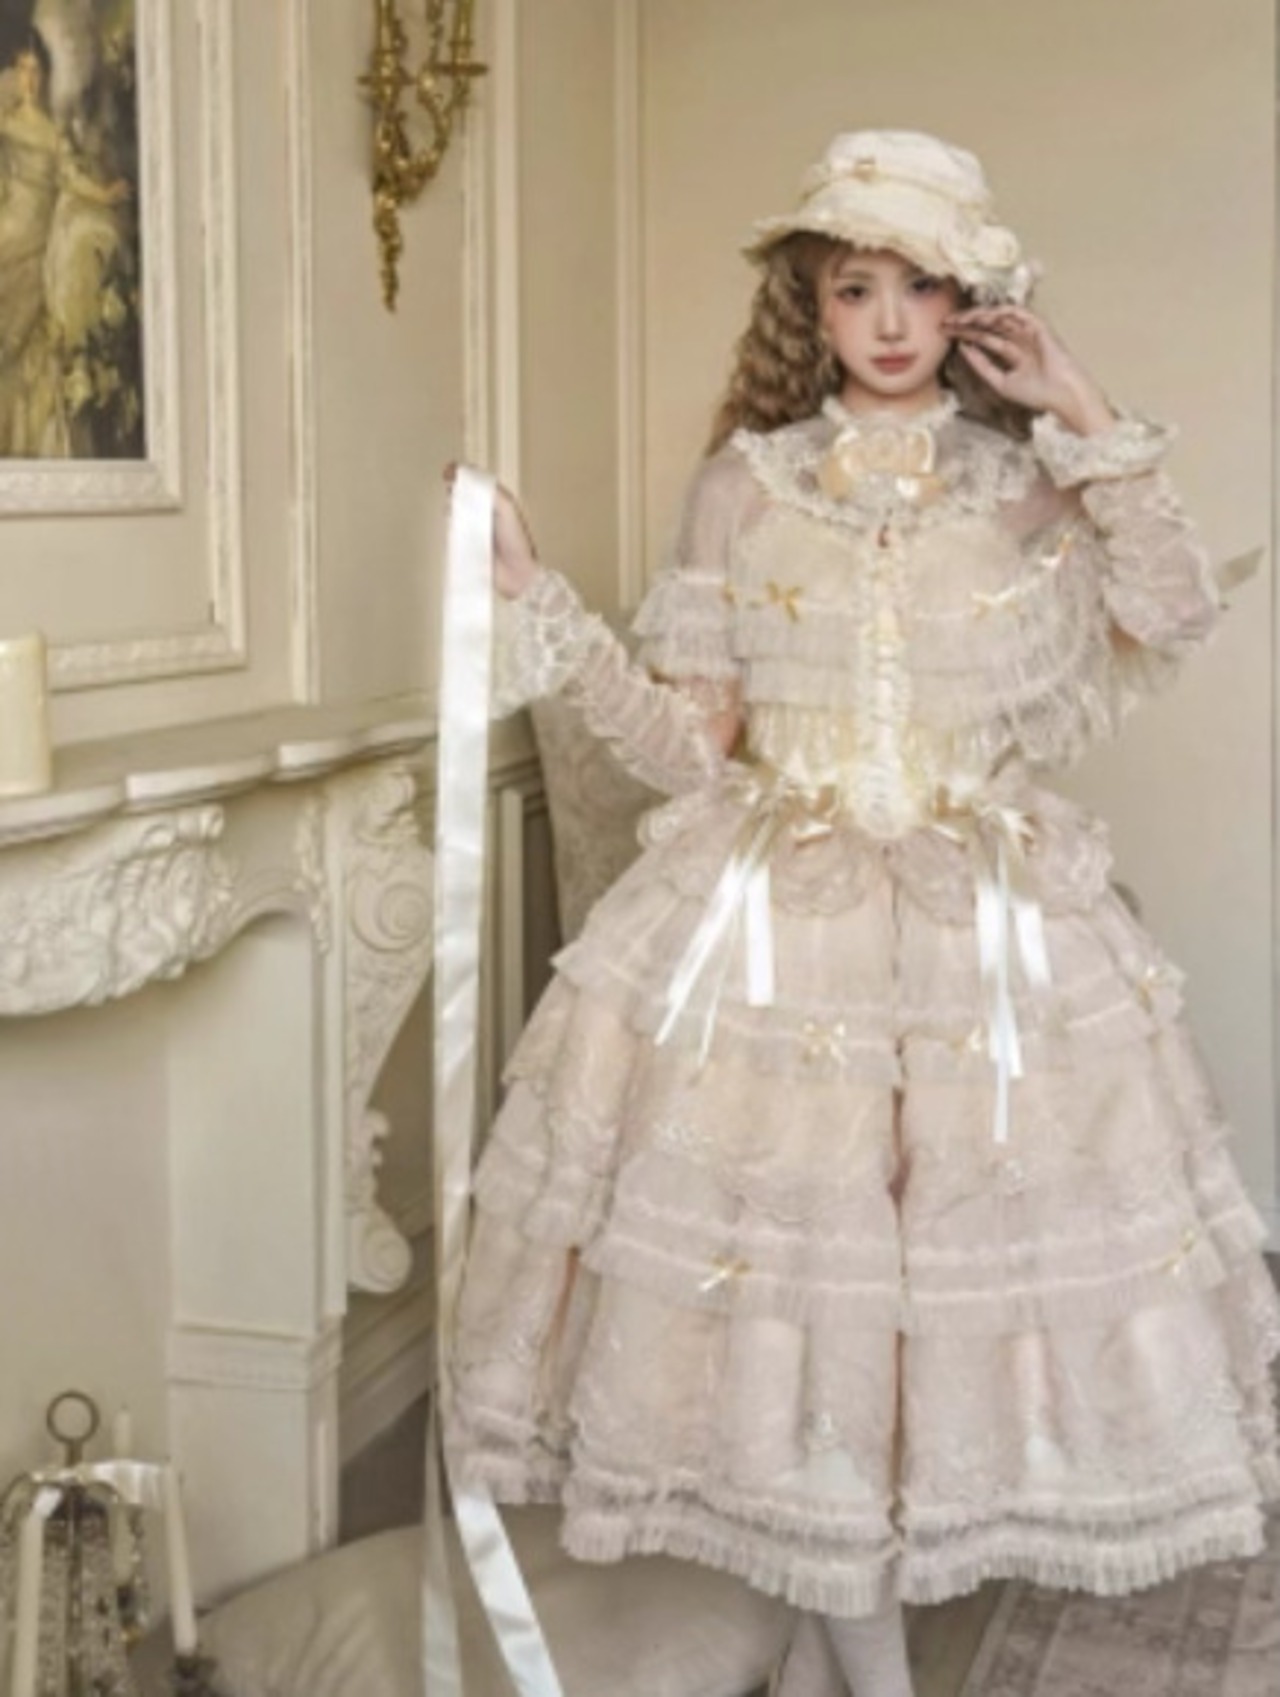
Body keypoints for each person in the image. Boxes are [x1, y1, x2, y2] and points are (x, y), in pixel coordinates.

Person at [447, 131, 1280, 1695]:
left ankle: (852, 1647)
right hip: (785, 936)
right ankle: (866, 1664)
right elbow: (688, 747)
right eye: (852, 287)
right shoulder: (741, 489)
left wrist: (1078, 401)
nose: (888, 322)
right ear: (810, 308)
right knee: (808, 1307)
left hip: (986, 942)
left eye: (920, 286)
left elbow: (1172, 606)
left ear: (971, 306)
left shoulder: (1029, 485)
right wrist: (538, 601)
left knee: (942, 1305)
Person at [0, 26, 131, 457]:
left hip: (38, 236)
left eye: (36, 71)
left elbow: (71, 178)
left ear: (45, 76)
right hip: (7, 227)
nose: (29, 80)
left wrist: (105, 194)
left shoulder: (53, 132)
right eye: (22, 70)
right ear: (14, 74)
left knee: (23, 341)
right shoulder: (5, 123)